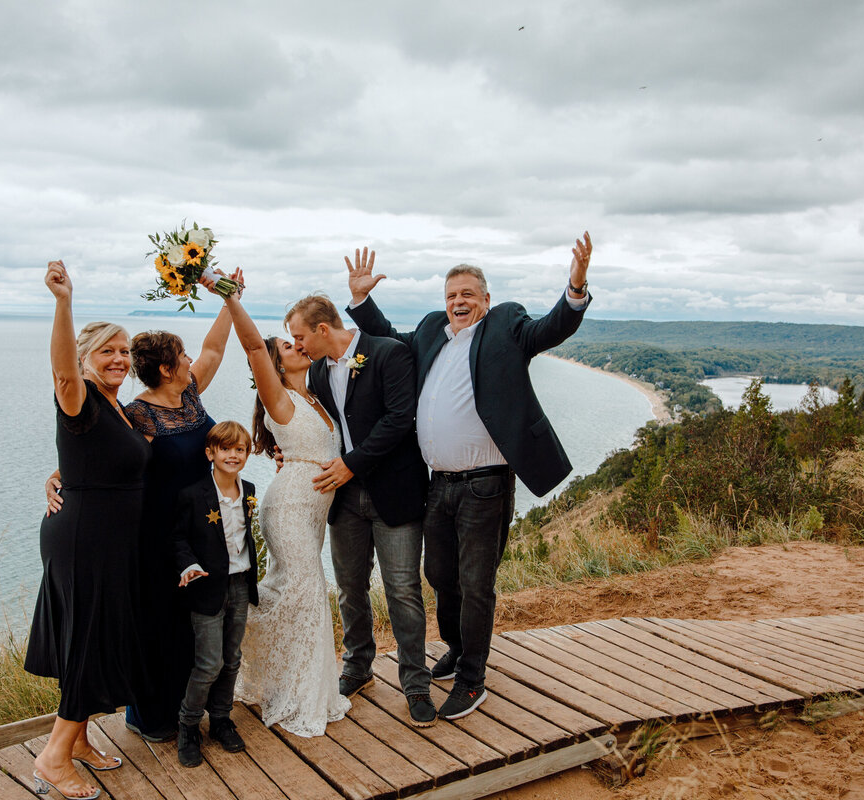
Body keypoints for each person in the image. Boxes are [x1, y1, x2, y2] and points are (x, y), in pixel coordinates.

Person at [344, 233, 593, 720]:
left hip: (486, 481)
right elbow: (392, 341)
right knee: (440, 575)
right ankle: (458, 648)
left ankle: (473, 679)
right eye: (451, 295)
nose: (458, 302)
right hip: (439, 483)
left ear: (485, 299)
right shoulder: (434, 330)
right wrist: (360, 300)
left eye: (467, 295)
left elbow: (551, 329)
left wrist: (576, 288)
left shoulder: (505, 326)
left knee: (476, 583)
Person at [45, 284, 238, 742]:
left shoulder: (190, 394)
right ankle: (154, 717)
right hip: (156, 533)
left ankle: (204, 709)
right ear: (168, 367)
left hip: (201, 526)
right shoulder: (137, 413)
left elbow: (214, 348)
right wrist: (58, 477)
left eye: (122, 351)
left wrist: (231, 299)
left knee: (203, 625)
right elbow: (99, 452)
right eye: (182, 356)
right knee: (160, 626)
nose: (192, 361)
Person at [202, 279, 352, 737]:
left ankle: (238, 623)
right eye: (287, 345)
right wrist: (230, 297)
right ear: (273, 362)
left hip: (315, 513)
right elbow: (251, 346)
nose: (298, 346)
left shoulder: (318, 393)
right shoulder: (278, 395)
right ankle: (297, 696)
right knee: (308, 594)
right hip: (287, 508)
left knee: (295, 593)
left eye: (298, 339)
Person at [25, 260, 150, 800]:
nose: (120, 358)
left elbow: (94, 462)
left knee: (94, 638)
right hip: (85, 538)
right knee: (90, 642)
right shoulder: (78, 397)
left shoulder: (118, 408)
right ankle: (53, 757)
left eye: (124, 351)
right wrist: (63, 302)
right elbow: (61, 374)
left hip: (106, 538)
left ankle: (76, 742)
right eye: (108, 351)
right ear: (84, 359)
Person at [284, 294, 435, 727]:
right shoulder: (315, 370)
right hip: (343, 498)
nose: (297, 346)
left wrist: (351, 464)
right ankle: (357, 666)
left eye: (300, 336)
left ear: (322, 330)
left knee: (402, 590)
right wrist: (293, 454)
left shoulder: (389, 353)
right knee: (350, 586)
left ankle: (416, 682)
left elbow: (399, 419)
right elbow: (319, 427)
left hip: (394, 492)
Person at [171, 421, 259, 767]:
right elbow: (177, 539)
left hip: (240, 583)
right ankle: (188, 725)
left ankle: (221, 719)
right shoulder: (193, 495)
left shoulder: (249, 489)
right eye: (225, 449)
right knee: (210, 663)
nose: (233, 455)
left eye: (240, 449)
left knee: (233, 657)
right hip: (207, 586)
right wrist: (188, 566)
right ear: (211, 453)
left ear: (247, 454)